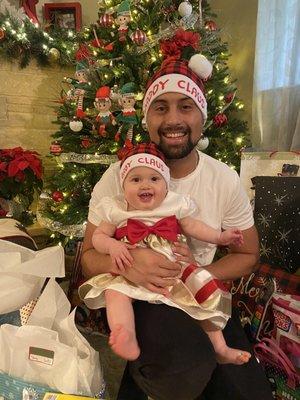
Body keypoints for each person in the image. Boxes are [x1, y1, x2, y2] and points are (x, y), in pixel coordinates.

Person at [81, 30, 273, 400]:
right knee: (178, 373)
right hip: (139, 297)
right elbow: (89, 258)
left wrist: (194, 277)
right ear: (147, 115)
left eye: (185, 106)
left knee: (248, 391)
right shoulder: (117, 178)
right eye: (161, 107)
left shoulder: (222, 179)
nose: (173, 119)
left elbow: (248, 254)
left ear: (202, 115)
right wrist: (128, 265)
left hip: (198, 290)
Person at [79, 143, 250, 365]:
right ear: (123, 185)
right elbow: (98, 237)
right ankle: (125, 333)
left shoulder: (174, 204)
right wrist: (112, 247)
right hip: (130, 266)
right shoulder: (116, 208)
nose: (145, 185)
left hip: (174, 266)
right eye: (135, 179)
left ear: (166, 185)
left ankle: (220, 347)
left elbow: (194, 227)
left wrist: (220, 238)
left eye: (154, 179)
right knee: (115, 293)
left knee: (201, 295)